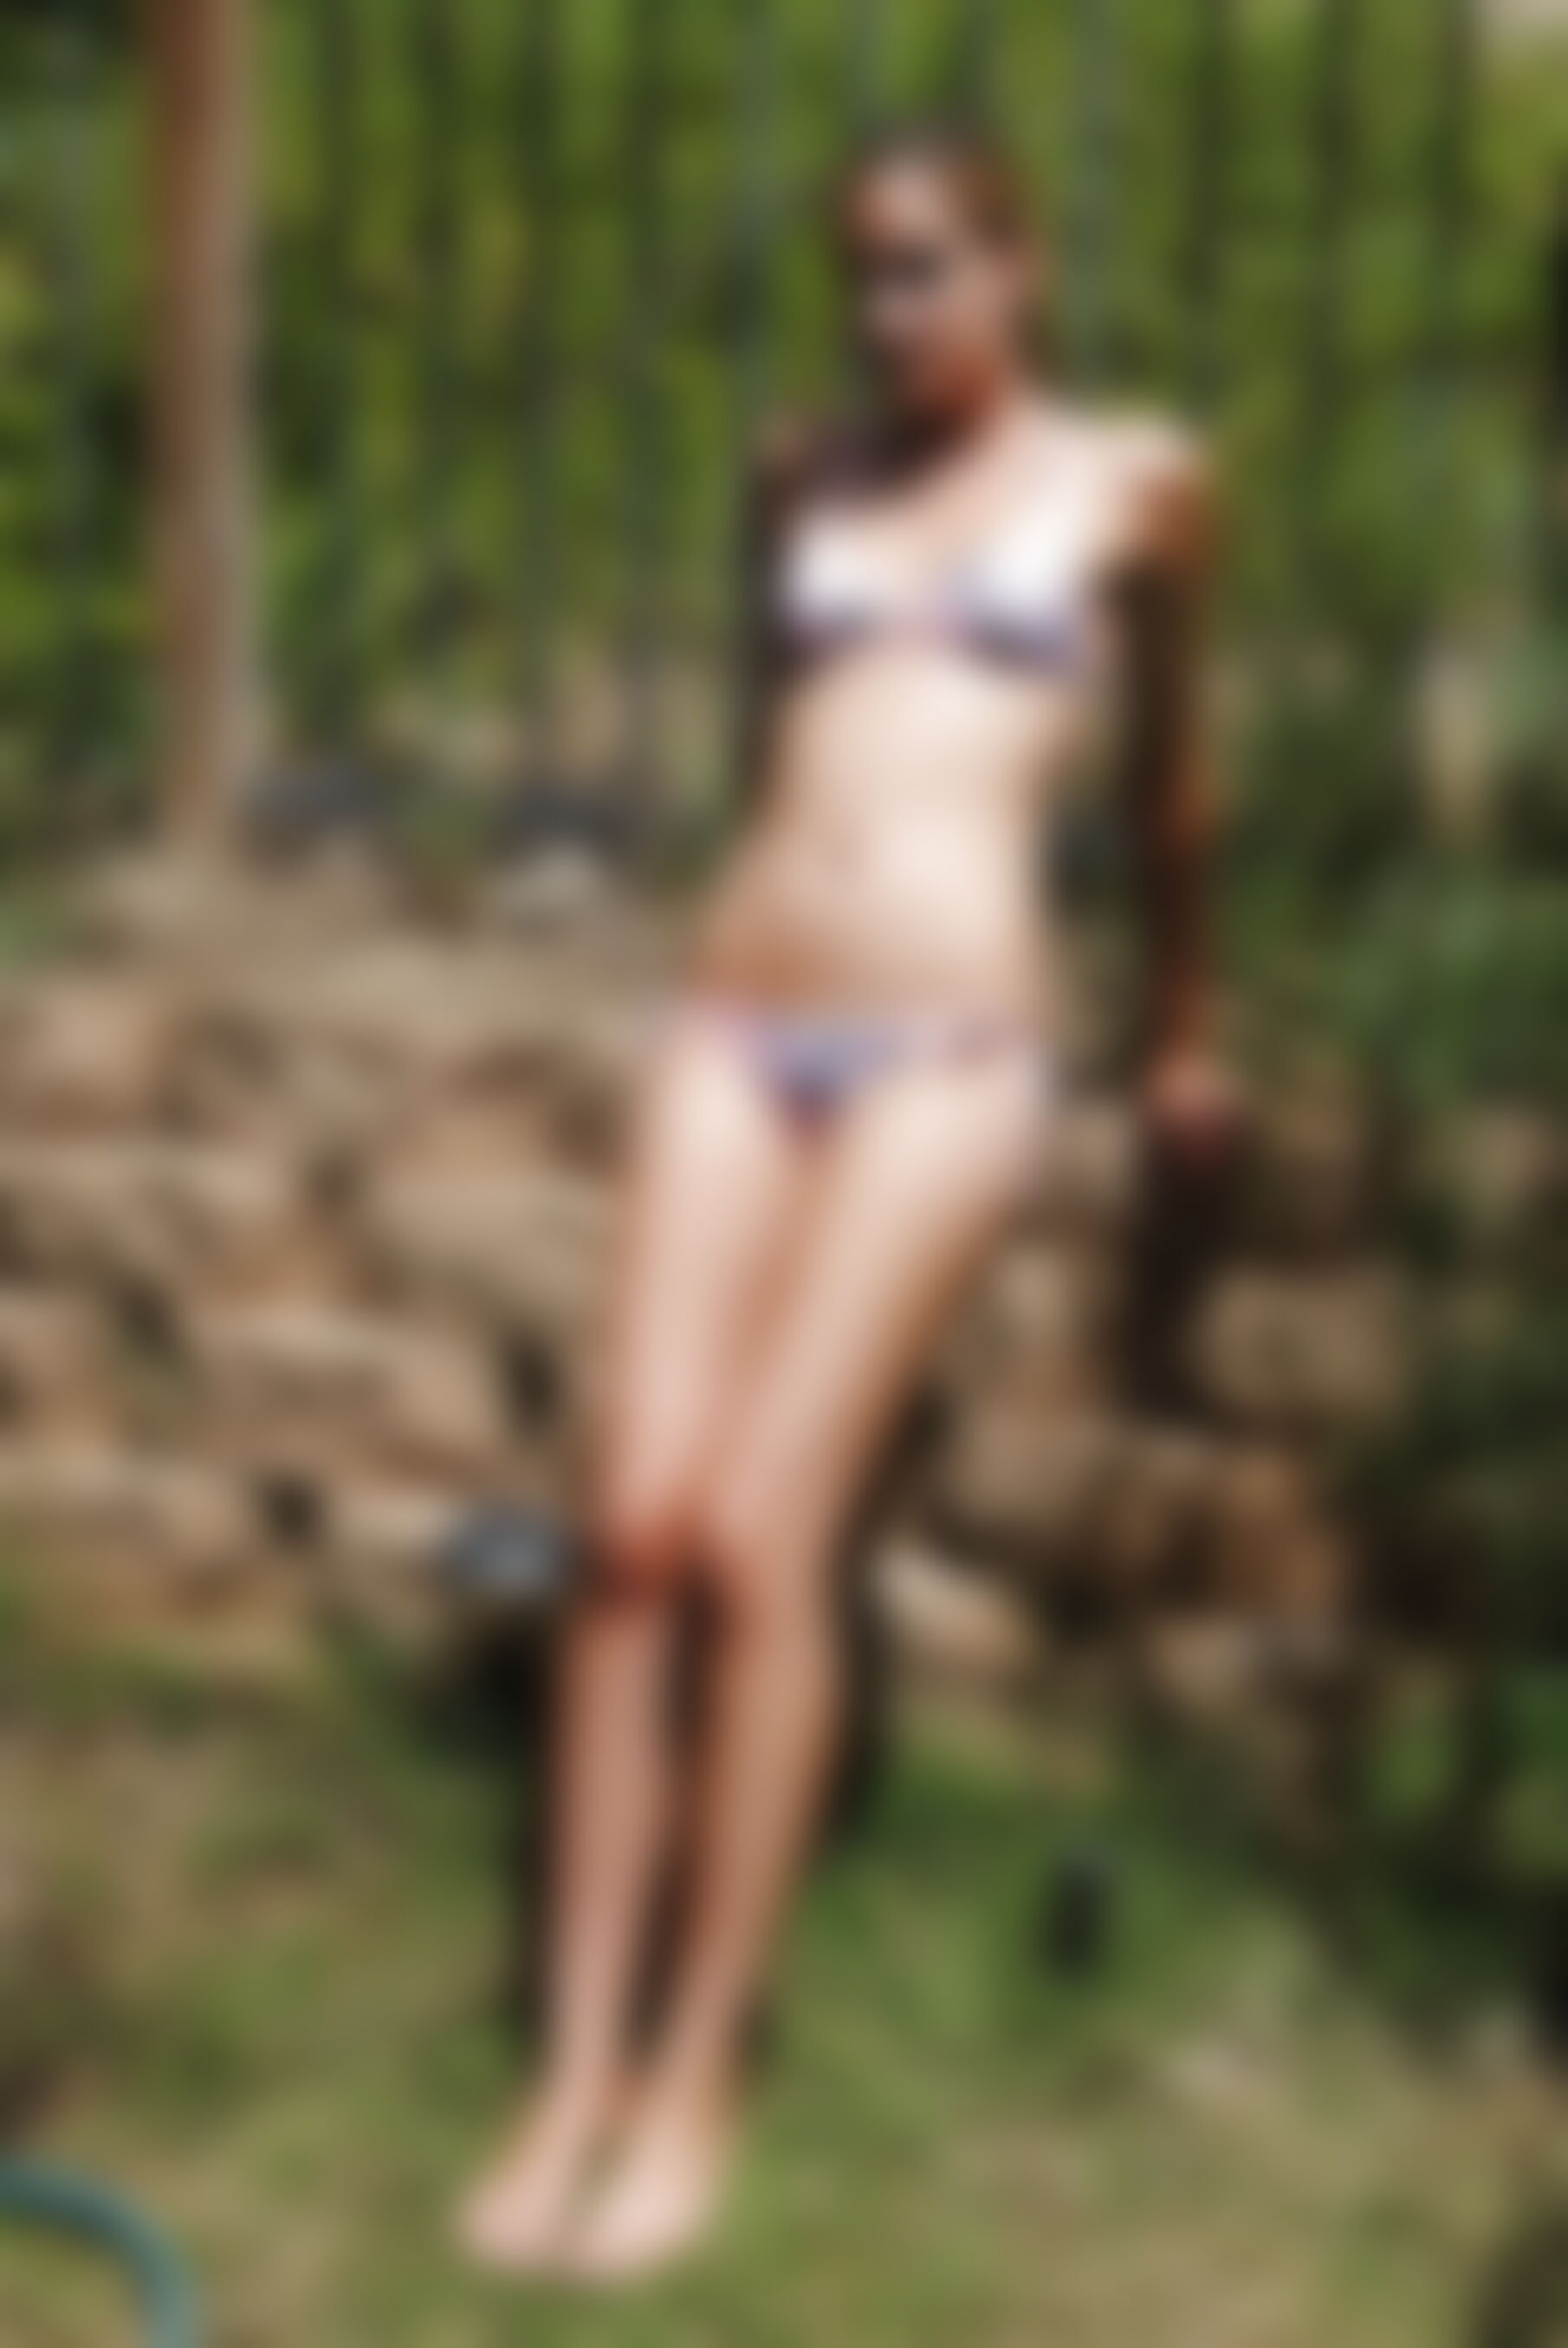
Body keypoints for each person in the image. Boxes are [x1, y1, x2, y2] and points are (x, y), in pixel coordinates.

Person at [460, 116, 1236, 2284]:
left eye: (923, 268)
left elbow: (1172, 792)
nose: (887, 313)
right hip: (732, 1020)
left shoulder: (1136, 489)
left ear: (1016, 264)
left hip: (947, 1044)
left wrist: (1182, 1034)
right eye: (861, 276)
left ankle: (697, 2074)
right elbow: (777, 747)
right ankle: (572, 2066)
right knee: (627, 1532)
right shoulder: (799, 478)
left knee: (754, 1536)